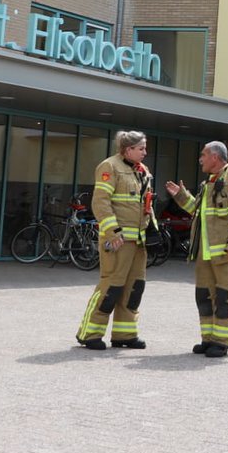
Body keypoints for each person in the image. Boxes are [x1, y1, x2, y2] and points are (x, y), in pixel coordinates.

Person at [165, 141, 228, 358]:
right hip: (205, 253)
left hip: (226, 253)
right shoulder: (209, 183)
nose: (201, 159)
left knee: (224, 297)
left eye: (204, 155)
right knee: (204, 297)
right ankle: (208, 339)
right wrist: (180, 195)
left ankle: (221, 342)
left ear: (215, 157)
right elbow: (197, 212)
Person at [75, 130, 153, 350]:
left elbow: (146, 204)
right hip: (117, 241)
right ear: (128, 149)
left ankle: (124, 335)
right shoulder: (109, 167)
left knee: (134, 288)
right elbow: (100, 202)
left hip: (138, 242)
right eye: (141, 149)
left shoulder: (143, 171)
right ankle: (89, 334)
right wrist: (112, 232)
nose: (145, 153)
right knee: (111, 286)